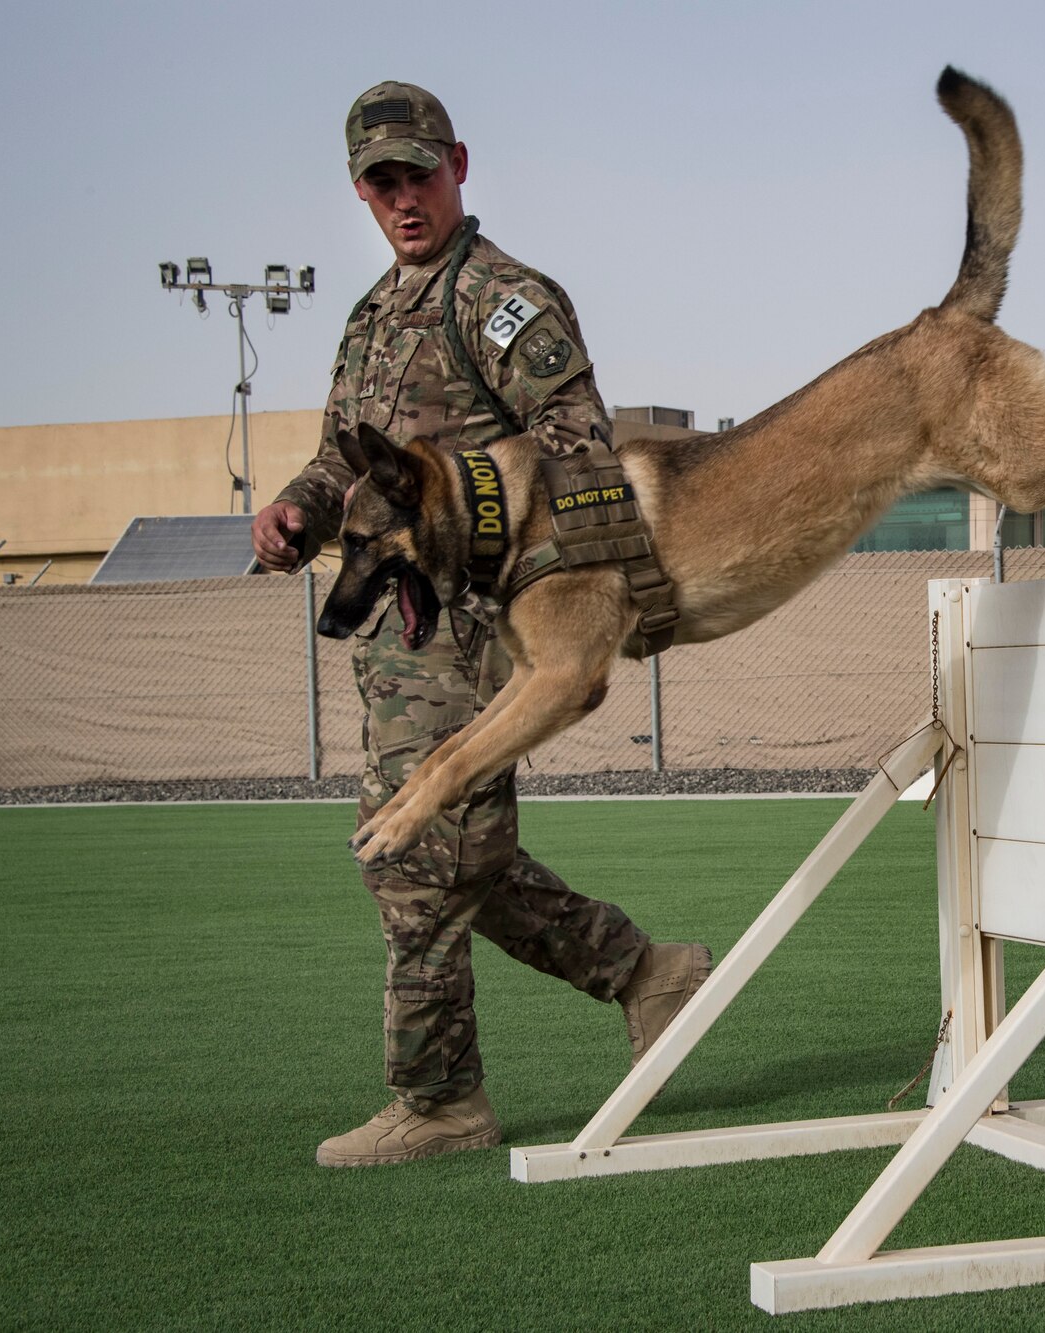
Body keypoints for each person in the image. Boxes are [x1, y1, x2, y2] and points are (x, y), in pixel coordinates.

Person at [252, 81, 710, 1168]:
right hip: (396, 638)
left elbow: (577, 437)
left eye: (418, 173)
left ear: (458, 164)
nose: (402, 197)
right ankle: (645, 972)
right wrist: (297, 511)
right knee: (464, 852)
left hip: (476, 617)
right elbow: (343, 460)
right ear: (359, 189)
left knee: (415, 861)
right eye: (381, 181)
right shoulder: (373, 318)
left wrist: (472, 524)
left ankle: (440, 1100)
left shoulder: (501, 299)